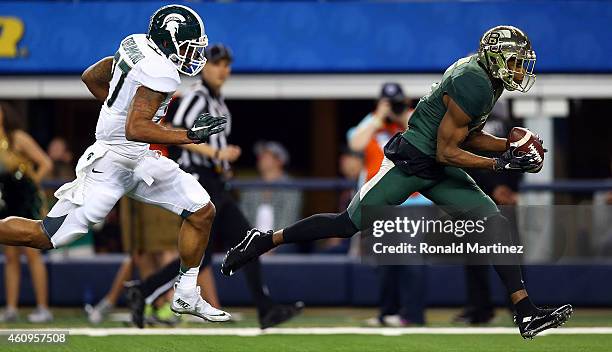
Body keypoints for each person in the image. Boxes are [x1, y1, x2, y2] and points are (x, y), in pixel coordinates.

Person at [222, 25, 573, 339]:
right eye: (513, 61)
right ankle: (265, 239)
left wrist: (508, 147)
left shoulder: (486, 81)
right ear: (494, 58)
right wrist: (501, 162)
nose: (518, 69)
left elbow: (468, 135)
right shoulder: (475, 81)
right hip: (411, 161)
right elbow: (448, 150)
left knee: (495, 225)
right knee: (348, 225)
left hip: (436, 163)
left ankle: (525, 313)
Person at [0, 5, 231, 323]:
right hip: (112, 161)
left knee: (202, 210)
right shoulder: (161, 71)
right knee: (44, 236)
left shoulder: (134, 42)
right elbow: (135, 128)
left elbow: (91, 76)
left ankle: (186, 293)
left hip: (137, 157)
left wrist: (116, 105)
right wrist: (189, 135)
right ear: (168, 42)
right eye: (188, 46)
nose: (193, 54)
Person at [124, 43, 303, 329]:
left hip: (215, 181)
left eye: (226, 64)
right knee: (221, 249)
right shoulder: (196, 95)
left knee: (244, 244)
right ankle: (144, 292)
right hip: (200, 179)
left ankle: (264, 308)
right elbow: (179, 132)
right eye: (217, 63)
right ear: (204, 66)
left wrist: (222, 158)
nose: (223, 69)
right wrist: (217, 154)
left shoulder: (215, 100)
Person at [0, 102, 53, 323]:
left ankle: (43, 308)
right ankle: (11, 308)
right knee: (10, 255)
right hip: (7, 200)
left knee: (32, 253)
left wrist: (31, 186)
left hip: (27, 201)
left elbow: (46, 163)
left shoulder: (17, 138)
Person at [240, 141, 303, 252]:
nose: (260, 157)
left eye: (266, 155)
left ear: (279, 161)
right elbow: (243, 218)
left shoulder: (291, 188)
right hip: (253, 244)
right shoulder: (250, 188)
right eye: (261, 155)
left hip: (281, 244)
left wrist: (271, 246)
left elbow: (288, 221)